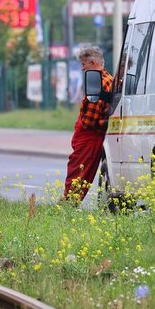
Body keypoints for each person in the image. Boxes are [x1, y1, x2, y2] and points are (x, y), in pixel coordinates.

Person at [63, 46, 114, 202]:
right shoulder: (106, 79)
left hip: (90, 135)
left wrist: (83, 124)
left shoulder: (100, 82)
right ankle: (70, 200)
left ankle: (70, 202)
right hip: (89, 136)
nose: (82, 67)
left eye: (84, 64)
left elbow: (91, 118)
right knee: (81, 169)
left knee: (79, 169)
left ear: (92, 62)